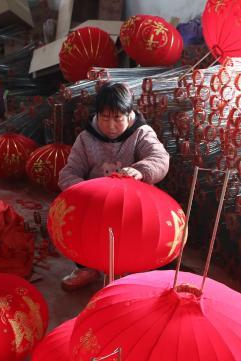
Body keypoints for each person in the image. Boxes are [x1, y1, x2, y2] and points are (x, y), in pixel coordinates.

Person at [56, 81, 170, 291]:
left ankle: (129, 271)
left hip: (131, 205)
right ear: (97, 115)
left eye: (117, 118)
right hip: (95, 202)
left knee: (143, 231)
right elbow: (68, 173)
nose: (111, 126)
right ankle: (86, 267)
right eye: (105, 118)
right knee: (73, 217)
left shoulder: (141, 133)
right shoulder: (86, 138)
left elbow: (160, 158)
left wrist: (140, 171)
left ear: (129, 114)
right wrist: (85, 192)